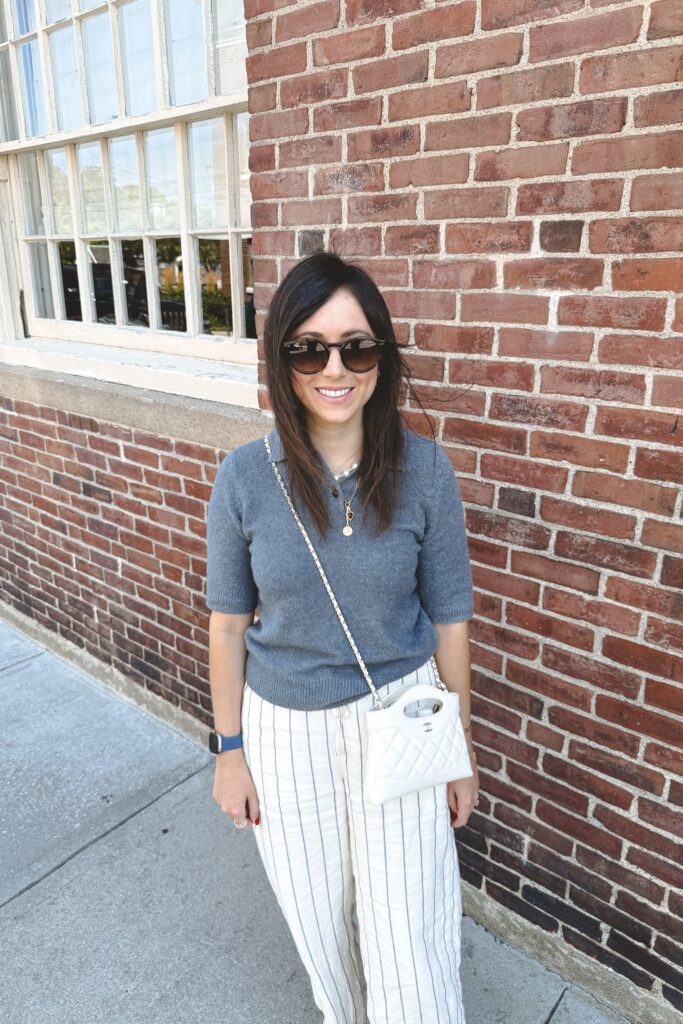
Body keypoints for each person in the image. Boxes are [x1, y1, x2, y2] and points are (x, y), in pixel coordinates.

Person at [205, 250, 478, 1024]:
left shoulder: (425, 471)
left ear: (380, 357)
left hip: (403, 717)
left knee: (410, 931)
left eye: (355, 348)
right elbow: (227, 626)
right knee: (318, 922)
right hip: (284, 731)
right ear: (281, 357)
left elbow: (450, 619)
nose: (334, 369)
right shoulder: (244, 478)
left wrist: (458, 749)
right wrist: (229, 753)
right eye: (309, 349)